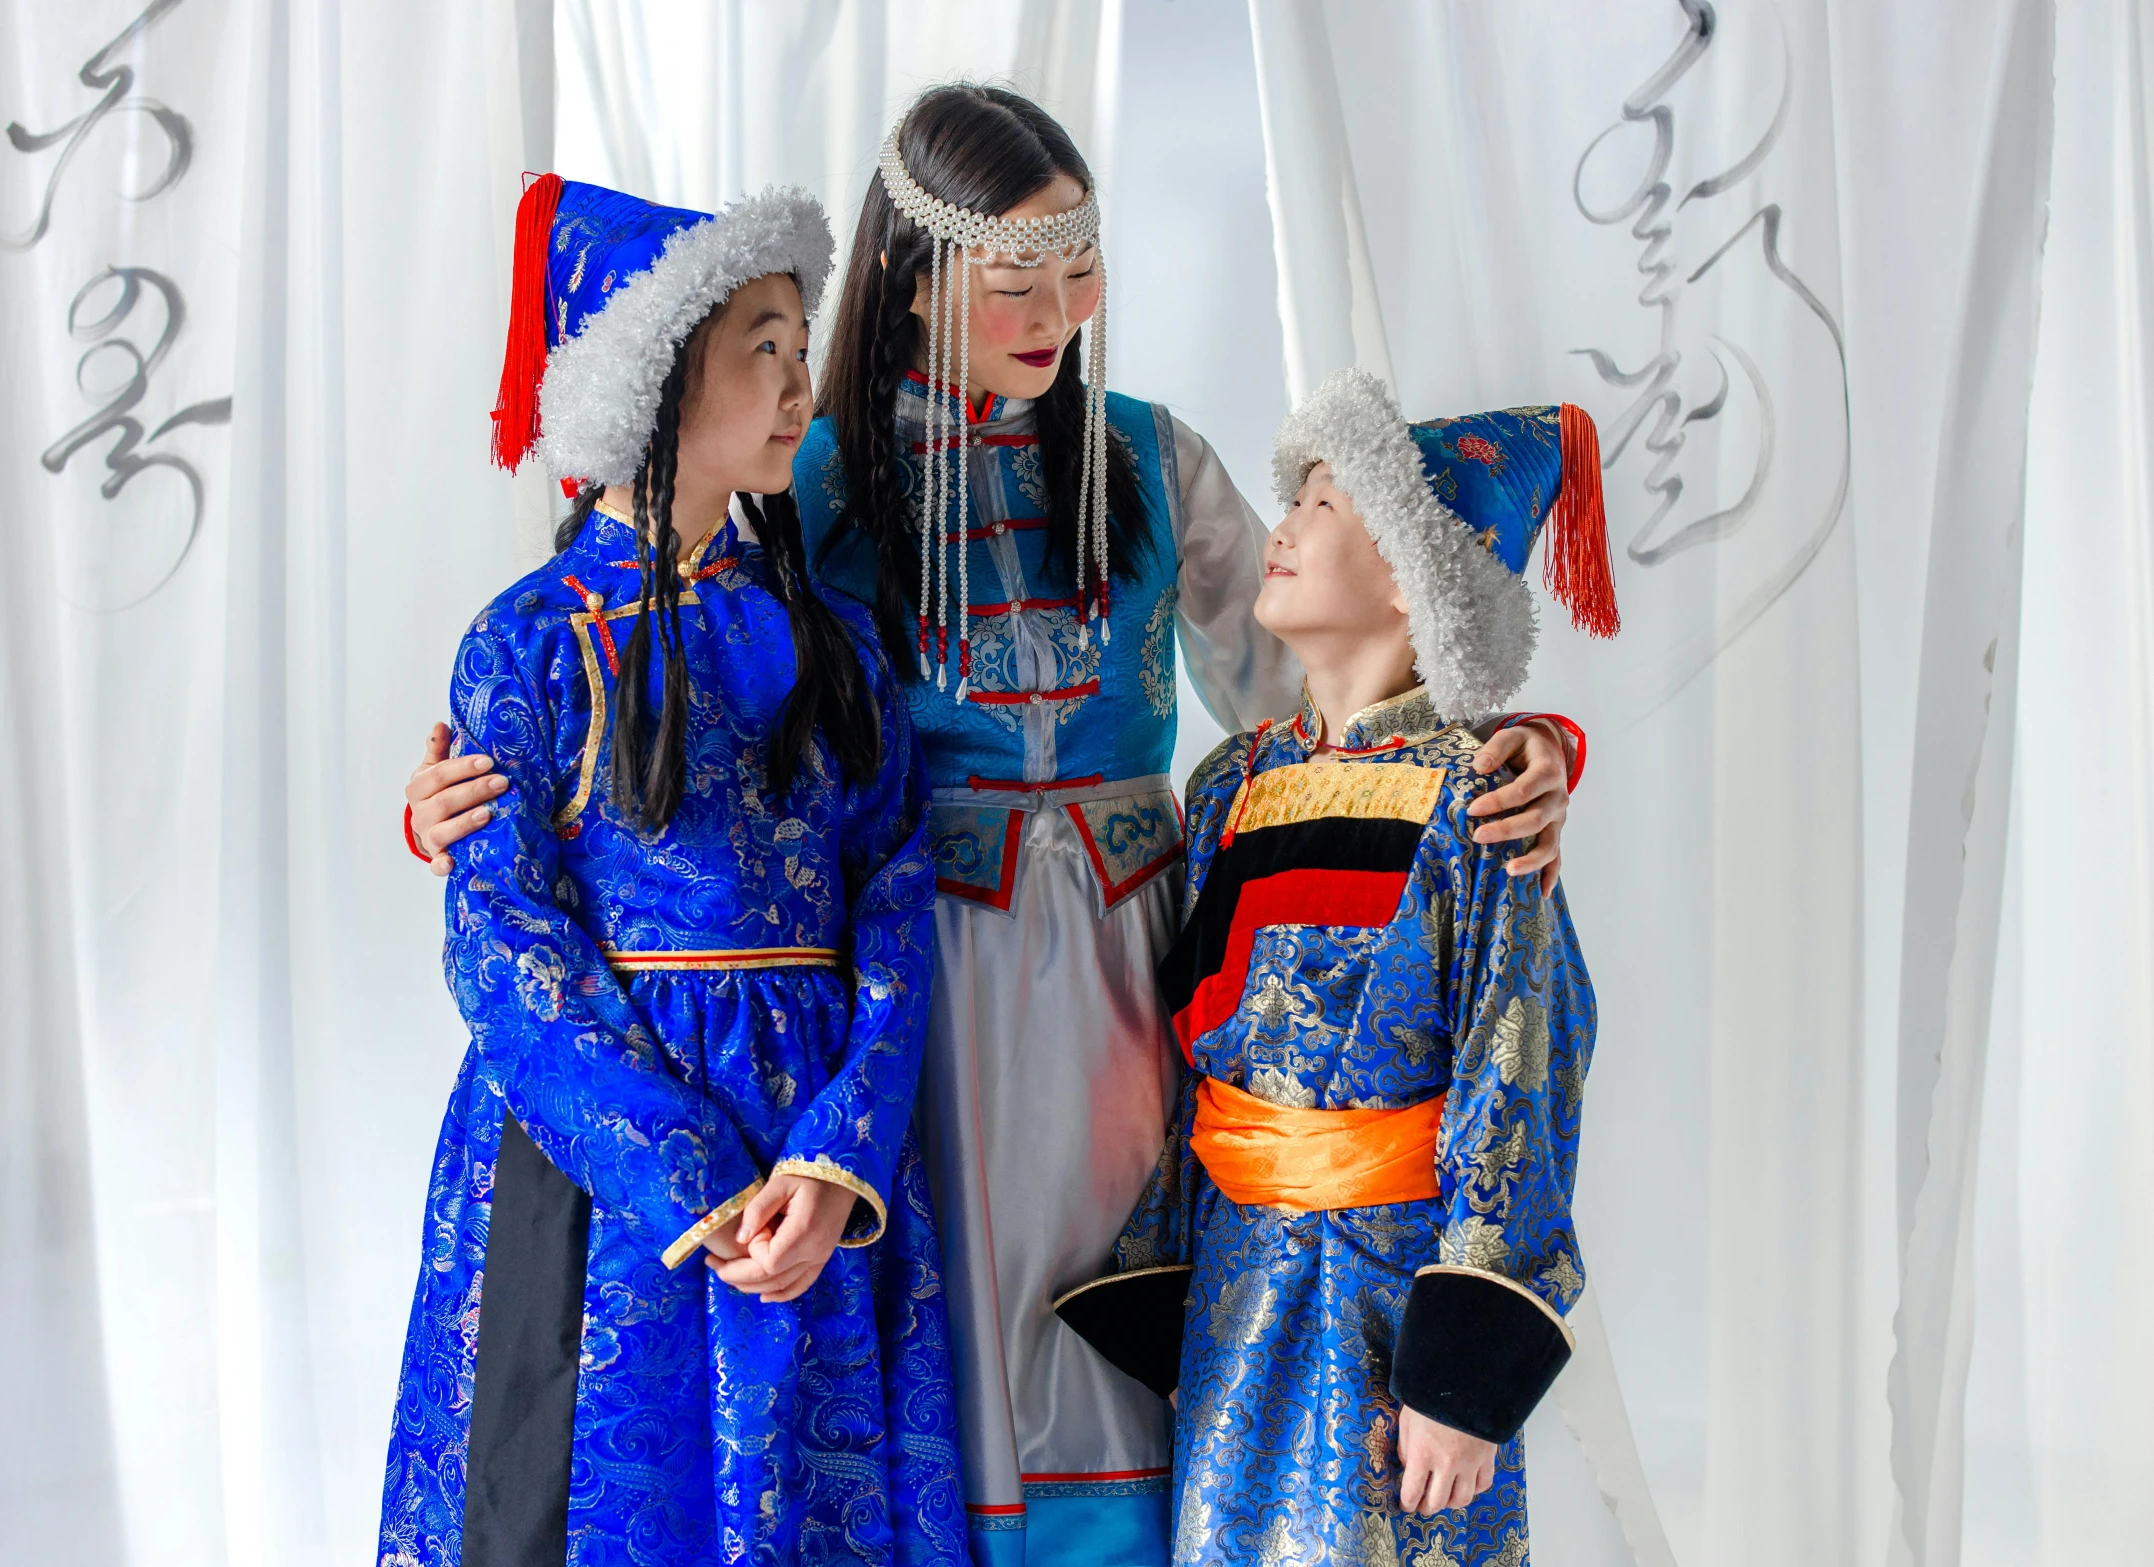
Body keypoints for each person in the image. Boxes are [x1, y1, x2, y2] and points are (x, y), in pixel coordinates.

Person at [405, 86, 1579, 1566]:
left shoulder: (1150, 459)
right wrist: (464, 798)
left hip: (1133, 969)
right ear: (911, 276)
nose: (1058, 310)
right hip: (919, 979)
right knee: (945, 1341)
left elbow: (1338, 696)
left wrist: (1513, 740)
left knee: (1127, 1318)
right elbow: (668, 706)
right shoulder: (811, 474)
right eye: (1014, 279)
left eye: (1078, 268)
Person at [377, 174, 966, 1567]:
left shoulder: (831, 638)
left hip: (810, 1136)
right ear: (653, 374)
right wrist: (690, 1171)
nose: (795, 383)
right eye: (761, 344)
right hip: (603, 1160)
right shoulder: (526, 640)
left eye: (797, 342)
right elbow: (505, 951)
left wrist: (834, 1152)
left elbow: (891, 891)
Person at [1107, 370, 1608, 1566]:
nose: (1279, 527)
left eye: (1322, 503)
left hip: (1391, 1294)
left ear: (1407, 571)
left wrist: (1465, 1372)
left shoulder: (1475, 792)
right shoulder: (1228, 783)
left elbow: (1520, 1062)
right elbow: (1189, 1060)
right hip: (1238, 1282)